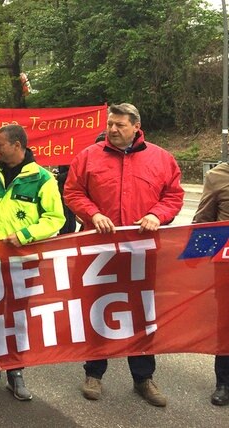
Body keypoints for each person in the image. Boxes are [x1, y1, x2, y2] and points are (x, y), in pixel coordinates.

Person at [64, 103, 183, 407]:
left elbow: (173, 195)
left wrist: (158, 214)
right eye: (110, 124)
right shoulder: (87, 157)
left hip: (142, 251)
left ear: (136, 126)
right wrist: (93, 213)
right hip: (98, 250)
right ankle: (94, 373)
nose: (112, 130)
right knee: (98, 310)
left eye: (119, 125)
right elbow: (73, 192)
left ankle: (143, 378)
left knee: (141, 314)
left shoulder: (161, 159)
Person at [0, 124, 65, 401]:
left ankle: (15, 370)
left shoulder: (42, 178)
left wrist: (25, 235)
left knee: (17, 317)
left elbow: (55, 218)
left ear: (17, 145)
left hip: (22, 261)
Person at [192, 161, 229, 406]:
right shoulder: (218, 176)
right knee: (226, 324)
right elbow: (203, 221)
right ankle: (224, 383)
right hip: (226, 266)